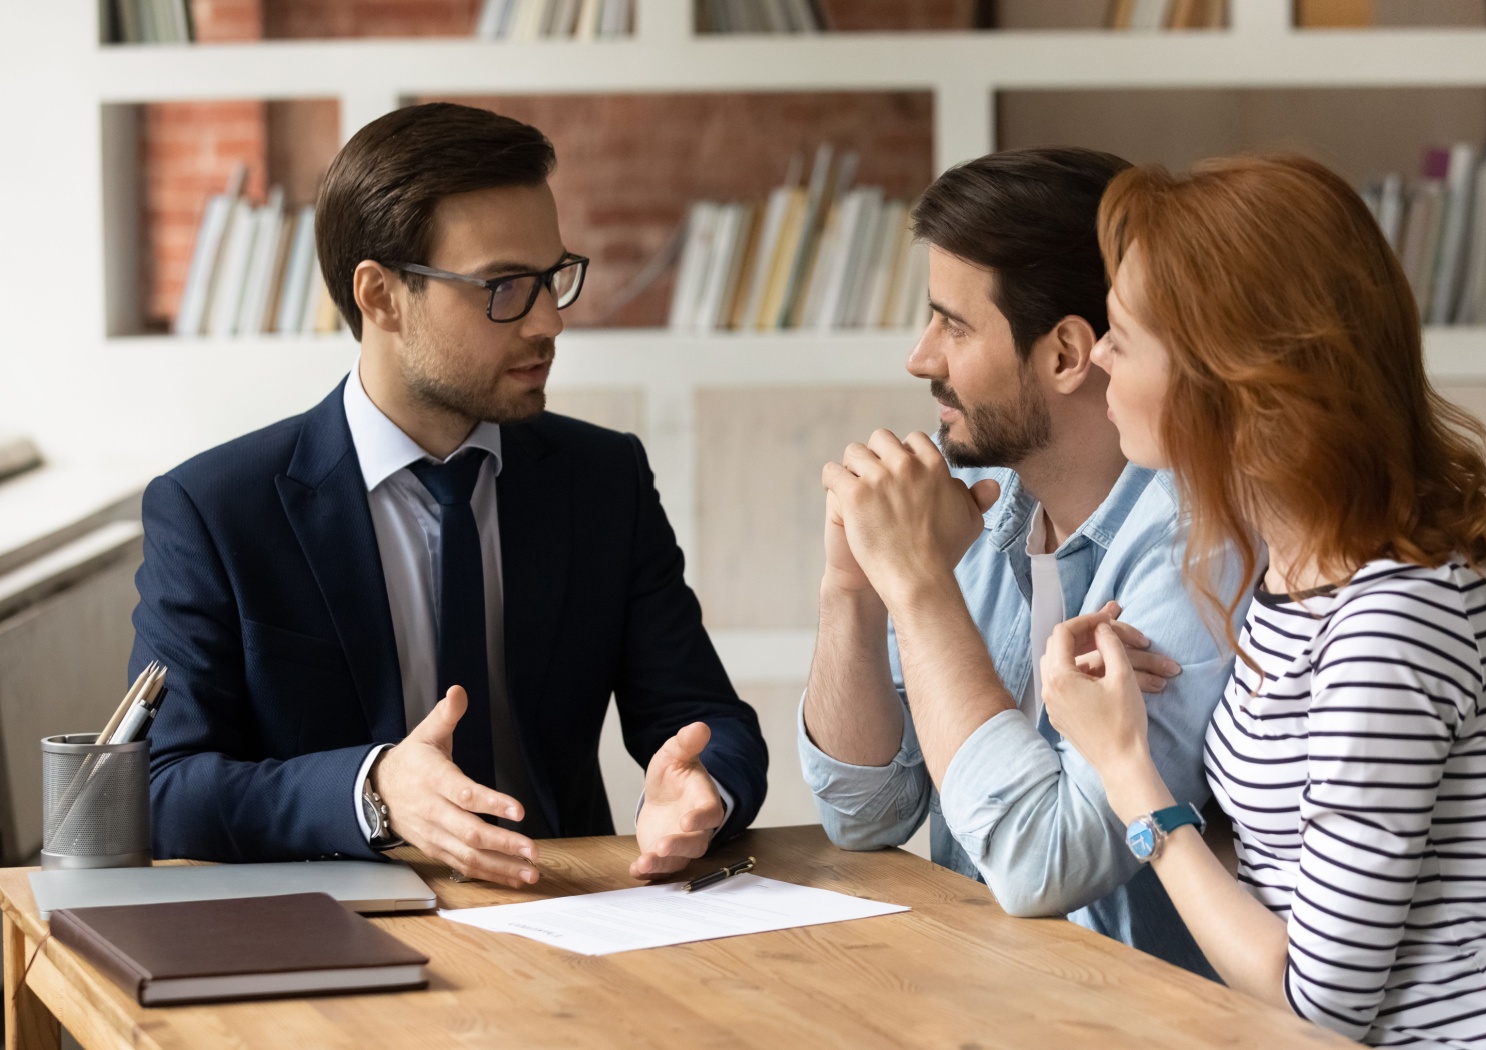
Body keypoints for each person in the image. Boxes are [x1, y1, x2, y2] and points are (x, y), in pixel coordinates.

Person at [1040, 154, 1486, 1048]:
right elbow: (1280, 873)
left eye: (1123, 334)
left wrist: (1123, 770)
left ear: (1238, 381)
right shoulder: (1300, 573)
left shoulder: (1396, 620)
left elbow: (1318, 1003)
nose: (1098, 357)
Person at [131, 103, 767, 886]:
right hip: (335, 931)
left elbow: (709, 720)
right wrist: (372, 792)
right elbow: (163, 788)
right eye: (503, 287)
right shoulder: (216, 511)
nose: (547, 323)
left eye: (551, 279)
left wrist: (704, 790)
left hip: (573, 914)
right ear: (380, 297)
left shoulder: (604, 480)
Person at [800, 147, 1241, 975]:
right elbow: (865, 812)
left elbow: (1048, 862)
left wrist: (920, 587)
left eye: (953, 324)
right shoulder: (979, 497)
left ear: (1069, 354)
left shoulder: (1197, 545)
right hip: (985, 996)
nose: (920, 358)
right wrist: (853, 588)